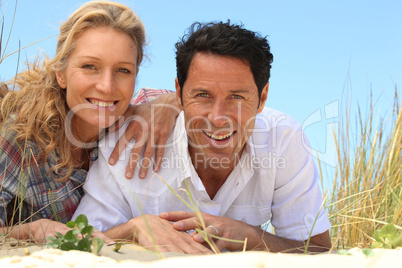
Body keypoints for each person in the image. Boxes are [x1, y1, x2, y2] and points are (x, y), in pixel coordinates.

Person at [74, 21, 332, 254]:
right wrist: (133, 229)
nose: (218, 118)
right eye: (202, 95)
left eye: (237, 97)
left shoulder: (284, 139)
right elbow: (75, 248)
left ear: (262, 98)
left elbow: (318, 250)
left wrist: (251, 236)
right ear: (179, 93)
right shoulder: (127, 144)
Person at [0, 1, 177, 243]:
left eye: (123, 70)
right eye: (89, 66)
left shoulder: (141, 111)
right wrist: (30, 230)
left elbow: (202, 97)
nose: (107, 86)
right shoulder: (21, 136)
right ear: (60, 73)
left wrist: (170, 104)